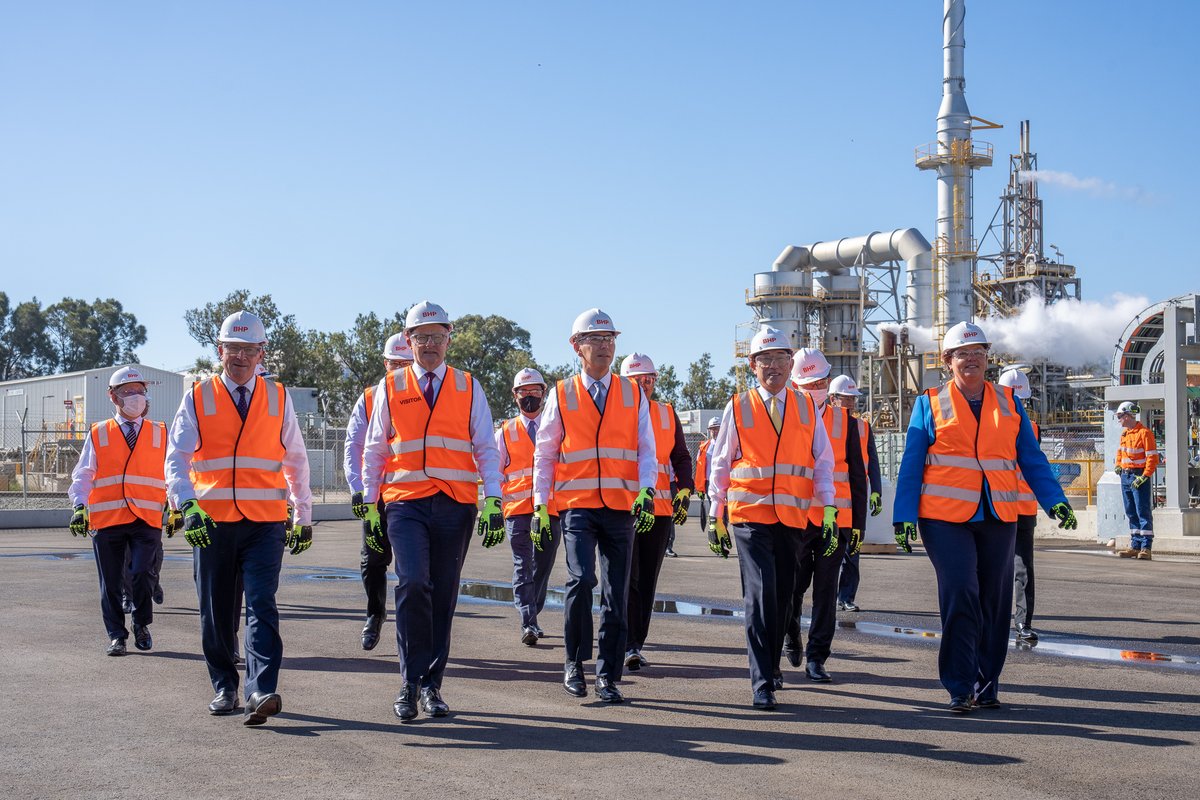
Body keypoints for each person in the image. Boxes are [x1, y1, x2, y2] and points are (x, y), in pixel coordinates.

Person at [893, 321, 1076, 714]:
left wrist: (1054, 500)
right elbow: (912, 463)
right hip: (943, 517)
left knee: (995, 600)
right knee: (961, 592)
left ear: (987, 358)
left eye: (978, 351)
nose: (971, 358)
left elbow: (1030, 457)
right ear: (947, 361)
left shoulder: (1009, 402)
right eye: (963, 352)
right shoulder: (929, 402)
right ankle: (960, 685)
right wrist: (903, 514)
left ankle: (987, 682)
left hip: (998, 513)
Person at [166, 310, 314, 726]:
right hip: (211, 522)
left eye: (250, 350)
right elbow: (176, 457)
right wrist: (186, 505)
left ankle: (261, 689)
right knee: (215, 609)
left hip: (265, 521)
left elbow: (297, 460)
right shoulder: (198, 396)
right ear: (220, 351)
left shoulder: (278, 397)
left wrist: (303, 514)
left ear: (261, 352)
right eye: (234, 349)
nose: (242, 357)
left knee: (262, 604)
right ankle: (225, 687)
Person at [361, 300, 504, 721]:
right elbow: (375, 449)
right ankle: (408, 681)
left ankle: (431, 686)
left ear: (449, 339)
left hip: (456, 505)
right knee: (412, 583)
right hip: (404, 503)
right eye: (422, 337)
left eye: (437, 337)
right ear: (408, 341)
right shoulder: (392, 387)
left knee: (443, 593)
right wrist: (371, 504)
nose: (430, 345)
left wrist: (493, 498)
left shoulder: (468, 386)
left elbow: (486, 447)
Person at [705, 326, 836, 710]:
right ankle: (762, 682)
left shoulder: (806, 406)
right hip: (749, 517)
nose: (774, 367)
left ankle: (772, 664)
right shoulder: (738, 405)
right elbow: (720, 462)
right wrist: (716, 514)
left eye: (781, 359)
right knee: (760, 593)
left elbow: (822, 462)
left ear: (791, 363)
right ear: (752, 365)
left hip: (793, 517)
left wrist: (827, 509)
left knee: (781, 596)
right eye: (766, 360)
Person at [532, 308, 658, 704]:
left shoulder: (632, 392)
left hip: (621, 507)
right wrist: (540, 504)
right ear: (576, 347)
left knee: (616, 593)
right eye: (595, 339)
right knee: (582, 579)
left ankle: (608, 675)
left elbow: (646, 451)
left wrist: (647, 490)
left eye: (609, 339)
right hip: (577, 507)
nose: (604, 346)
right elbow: (545, 452)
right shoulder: (561, 393)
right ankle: (574, 663)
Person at [68, 366, 168, 656]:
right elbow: (84, 474)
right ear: (113, 397)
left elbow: (172, 472)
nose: (135, 397)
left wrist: (175, 506)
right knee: (111, 581)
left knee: (141, 573)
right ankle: (116, 635)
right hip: (108, 518)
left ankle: (141, 624)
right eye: (128, 392)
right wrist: (79, 506)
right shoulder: (99, 433)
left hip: (146, 517)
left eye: (139, 391)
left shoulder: (160, 432)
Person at [780, 351, 866, 684]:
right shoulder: (785, 417)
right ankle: (791, 634)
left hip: (837, 521)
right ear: (796, 383)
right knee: (792, 588)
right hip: (797, 519)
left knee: (826, 593)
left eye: (821, 382)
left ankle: (818, 658)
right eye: (810, 383)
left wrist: (857, 525)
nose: (817, 388)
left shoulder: (847, 422)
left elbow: (858, 477)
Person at [619, 353, 694, 672]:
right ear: (625, 382)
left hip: (660, 510)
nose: (644, 383)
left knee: (647, 581)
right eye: (637, 379)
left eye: (649, 378)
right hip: (622, 508)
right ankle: (620, 641)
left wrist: (686, 489)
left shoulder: (666, 413)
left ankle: (635, 644)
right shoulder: (613, 413)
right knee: (624, 578)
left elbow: (680, 456)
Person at [345, 332, 413, 650]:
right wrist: (358, 488)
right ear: (385, 364)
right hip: (377, 497)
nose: (400, 371)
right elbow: (354, 444)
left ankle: (415, 627)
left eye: (406, 364)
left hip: (414, 494)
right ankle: (375, 614)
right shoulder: (370, 398)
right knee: (373, 559)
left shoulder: (428, 396)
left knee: (413, 567)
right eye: (395, 364)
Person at [495, 367, 561, 647]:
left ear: (544, 394)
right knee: (523, 564)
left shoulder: (556, 425)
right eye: (524, 392)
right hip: (517, 510)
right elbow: (495, 472)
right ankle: (528, 620)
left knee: (542, 566)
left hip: (550, 509)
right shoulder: (505, 431)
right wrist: (494, 507)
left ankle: (533, 611)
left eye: (535, 391)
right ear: (515, 396)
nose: (530, 396)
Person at [827, 374, 883, 613]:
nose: (851, 403)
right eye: (846, 398)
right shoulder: (821, 422)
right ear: (833, 399)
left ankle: (846, 596)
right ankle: (827, 598)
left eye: (854, 399)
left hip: (854, 499)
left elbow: (873, 461)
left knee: (853, 551)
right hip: (827, 501)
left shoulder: (862, 427)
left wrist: (876, 491)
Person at [998, 367, 1041, 642]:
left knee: (1022, 569)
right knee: (999, 569)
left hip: (1019, 509)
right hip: (1000, 508)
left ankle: (1022, 622)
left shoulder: (1032, 428)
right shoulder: (989, 425)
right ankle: (1004, 621)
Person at [1114, 401, 1158, 560]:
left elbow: (1152, 457)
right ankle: (1135, 545)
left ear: (1127, 415)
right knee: (1131, 511)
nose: (1118, 419)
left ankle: (1146, 547)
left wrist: (1145, 476)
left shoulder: (1144, 433)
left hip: (1138, 476)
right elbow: (1120, 453)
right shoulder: (1125, 434)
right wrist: (1118, 465)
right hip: (1125, 476)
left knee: (1142, 511)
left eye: (1120, 416)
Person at [693, 416, 722, 537]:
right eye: (712, 429)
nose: (714, 431)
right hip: (709, 483)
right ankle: (715, 538)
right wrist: (699, 488)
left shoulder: (727, 444)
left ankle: (720, 537)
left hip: (723, 483)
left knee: (722, 513)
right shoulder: (704, 447)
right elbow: (699, 467)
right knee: (714, 512)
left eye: (717, 428)